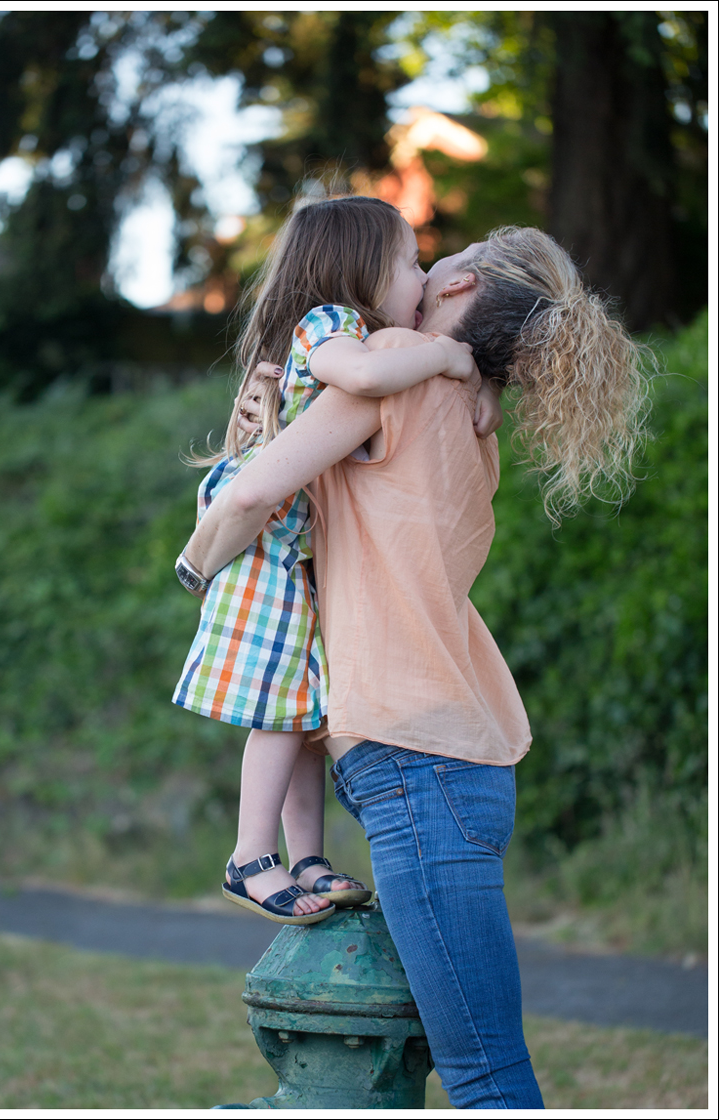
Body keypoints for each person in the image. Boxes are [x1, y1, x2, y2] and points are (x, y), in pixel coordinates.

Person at [179, 218, 649, 1108]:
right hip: (442, 753)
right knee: (474, 1060)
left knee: (484, 1073)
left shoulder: (392, 358)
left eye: (445, 259)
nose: (428, 265)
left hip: (418, 762)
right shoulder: (475, 421)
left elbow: (250, 496)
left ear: (464, 291)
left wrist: (196, 565)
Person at [173, 196, 503, 924]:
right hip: (269, 544)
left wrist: (476, 382)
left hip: (298, 549)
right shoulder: (328, 325)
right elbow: (364, 379)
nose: (419, 280)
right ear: (360, 272)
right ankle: (250, 856)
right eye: (410, 263)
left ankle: (308, 857)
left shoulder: (362, 332)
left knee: (308, 708)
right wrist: (450, 355)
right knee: (279, 710)